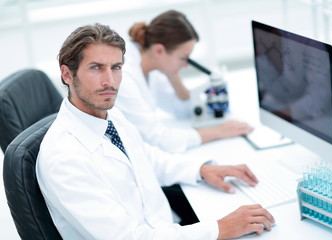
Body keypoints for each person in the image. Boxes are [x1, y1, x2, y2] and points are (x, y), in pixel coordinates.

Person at [36, 23, 275, 239]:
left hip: (166, 227)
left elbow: (146, 158)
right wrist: (219, 229)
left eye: (116, 67)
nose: (109, 81)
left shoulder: (109, 114)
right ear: (67, 74)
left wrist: (201, 169)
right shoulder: (64, 159)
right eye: (96, 68)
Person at [115, 10, 253, 153]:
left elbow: (183, 110)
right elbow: (160, 140)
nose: (186, 65)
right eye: (183, 58)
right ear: (159, 50)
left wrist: (173, 74)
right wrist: (219, 131)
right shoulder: (124, 77)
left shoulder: (151, 64)